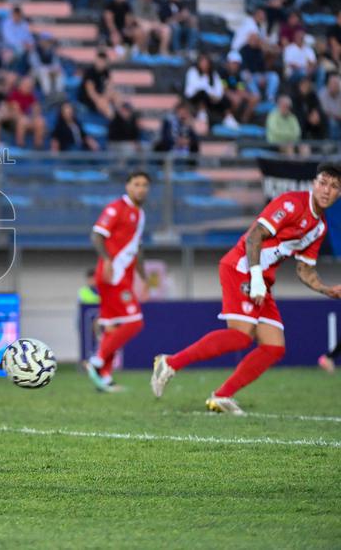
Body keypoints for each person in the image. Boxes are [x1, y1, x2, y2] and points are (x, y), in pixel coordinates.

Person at [152, 163, 341, 415]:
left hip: (262, 277)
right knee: (241, 335)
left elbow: (304, 270)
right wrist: (256, 278)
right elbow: (254, 237)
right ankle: (169, 363)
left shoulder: (320, 227)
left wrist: (328, 290)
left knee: (274, 347)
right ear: (313, 183)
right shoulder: (291, 203)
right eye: (323, 182)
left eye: (335, 186)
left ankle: (221, 396)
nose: (327, 190)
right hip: (241, 267)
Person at [85, 171, 150, 393]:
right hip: (112, 275)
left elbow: (137, 247)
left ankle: (105, 377)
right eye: (136, 184)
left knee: (112, 326)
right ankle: (97, 360)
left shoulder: (139, 214)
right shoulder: (116, 208)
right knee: (135, 322)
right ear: (127, 186)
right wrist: (107, 260)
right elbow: (96, 235)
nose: (141, 189)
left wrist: (142, 274)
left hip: (125, 276)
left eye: (144, 185)